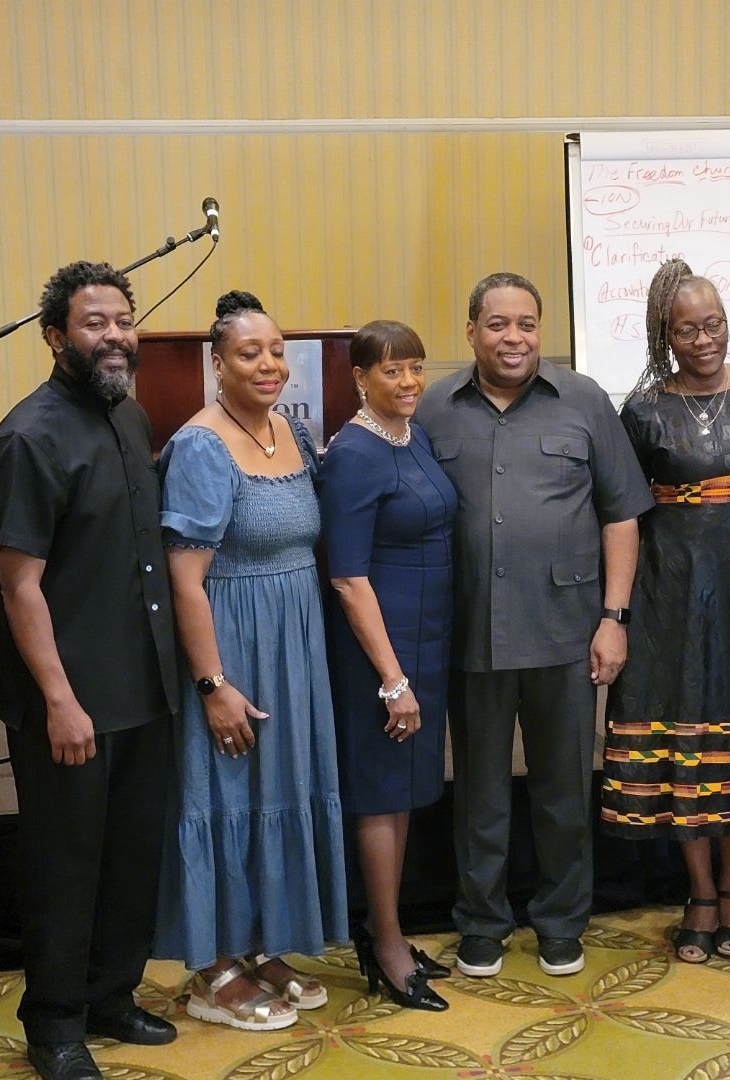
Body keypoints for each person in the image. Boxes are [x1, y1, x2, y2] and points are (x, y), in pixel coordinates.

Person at [415, 271, 653, 978]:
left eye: (525, 323)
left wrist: (614, 617)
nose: (512, 337)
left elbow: (622, 513)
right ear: (471, 332)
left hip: (565, 630)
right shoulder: (433, 408)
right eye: (497, 324)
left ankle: (559, 920)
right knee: (480, 795)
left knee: (561, 791)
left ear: (539, 330)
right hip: (471, 633)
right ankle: (481, 921)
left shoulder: (581, 400)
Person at [0, 262, 179, 1080]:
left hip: (145, 690)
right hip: (70, 702)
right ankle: (54, 1024)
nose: (115, 336)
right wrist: (61, 701)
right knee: (66, 866)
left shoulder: (129, 415)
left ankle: (110, 995)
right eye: (95, 322)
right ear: (56, 337)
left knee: (133, 858)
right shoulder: (29, 435)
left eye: (123, 320)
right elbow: (19, 584)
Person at [153, 290, 349, 1032]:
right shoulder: (202, 445)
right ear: (217, 362)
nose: (267, 364)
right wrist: (214, 684)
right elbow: (184, 580)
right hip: (232, 643)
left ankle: (261, 943)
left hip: (294, 641)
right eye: (248, 352)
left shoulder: (291, 429)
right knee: (225, 792)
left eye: (275, 351)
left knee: (281, 785)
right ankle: (211, 967)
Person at [601, 260, 730, 962]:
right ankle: (700, 893)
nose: (704, 338)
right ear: (666, 335)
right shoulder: (645, 409)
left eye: (713, 322)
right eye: (687, 329)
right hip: (670, 594)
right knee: (685, 729)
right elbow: (623, 512)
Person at [319, 320, 457, 1011]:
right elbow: (347, 578)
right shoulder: (352, 454)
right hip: (382, 648)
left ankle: (389, 926)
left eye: (416, 368)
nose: (407, 383)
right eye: (392, 371)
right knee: (380, 791)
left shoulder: (414, 434)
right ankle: (386, 945)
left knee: (404, 791)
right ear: (360, 379)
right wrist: (392, 677)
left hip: (426, 639)